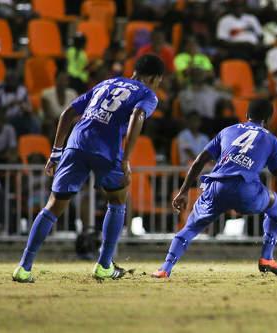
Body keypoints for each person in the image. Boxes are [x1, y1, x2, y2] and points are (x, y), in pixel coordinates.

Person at [12, 54, 164, 283]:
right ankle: (104, 265)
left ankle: (23, 267)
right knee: (118, 200)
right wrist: (126, 159)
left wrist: (56, 151)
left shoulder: (105, 83)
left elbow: (68, 113)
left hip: (76, 143)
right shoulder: (147, 93)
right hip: (106, 150)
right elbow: (138, 115)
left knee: (53, 206)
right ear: (154, 78)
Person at [152, 99, 277, 278]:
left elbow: (200, 159)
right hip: (246, 192)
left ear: (246, 116)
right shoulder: (272, 140)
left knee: (190, 226)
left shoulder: (228, 130)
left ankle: (165, 268)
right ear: (268, 119)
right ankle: (267, 258)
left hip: (216, 188)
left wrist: (183, 190)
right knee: (274, 203)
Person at [0, 70, 41, 136]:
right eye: (9, 80)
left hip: (19, 118)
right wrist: (9, 105)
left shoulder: (22, 91)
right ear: (5, 81)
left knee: (33, 120)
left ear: (17, 81)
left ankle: (34, 141)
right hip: (3, 119)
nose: (11, 82)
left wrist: (24, 109)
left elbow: (29, 110)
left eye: (13, 80)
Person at [41, 71, 78, 142]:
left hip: (66, 121)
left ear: (68, 81)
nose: (63, 82)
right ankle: (53, 147)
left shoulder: (72, 94)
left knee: (76, 123)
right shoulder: (46, 94)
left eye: (65, 79)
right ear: (55, 80)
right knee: (50, 124)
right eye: (61, 79)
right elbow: (47, 114)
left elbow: (74, 113)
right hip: (53, 121)